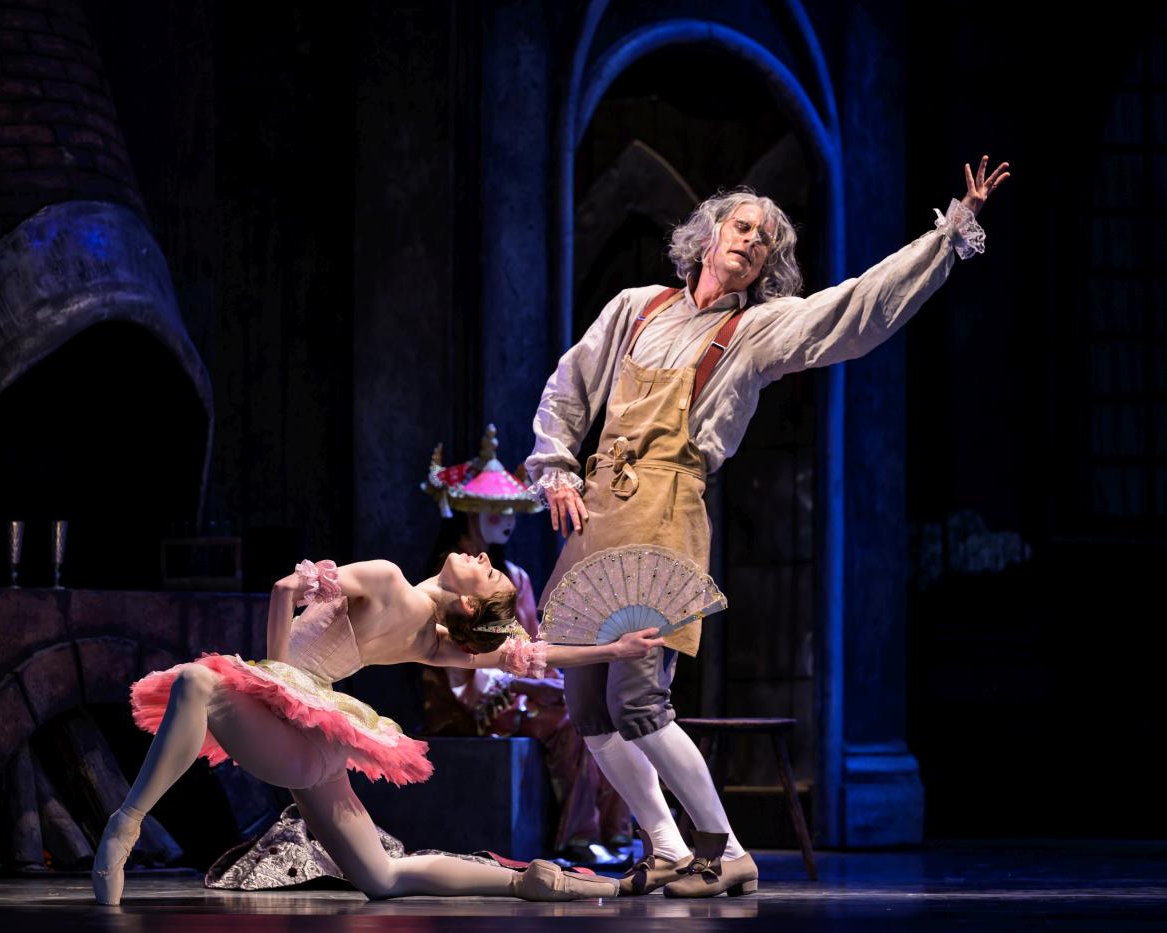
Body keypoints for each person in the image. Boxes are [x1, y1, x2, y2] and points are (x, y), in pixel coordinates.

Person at [527, 157, 1011, 897]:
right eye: (744, 227)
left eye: (767, 241)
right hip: (600, 510)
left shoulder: (754, 330)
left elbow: (856, 309)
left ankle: (725, 850)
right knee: (588, 706)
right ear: (710, 234)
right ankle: (666, 847)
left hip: (665, 513)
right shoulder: (636, 308)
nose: (753, 242)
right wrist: (557, 469)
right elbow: (568, 387)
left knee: (637, 700)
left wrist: (948, 233)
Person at [91, 552, 665, 905]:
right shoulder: (431, 642)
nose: (484, 557)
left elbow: (284, 589)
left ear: (469, 605)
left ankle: (126, 823)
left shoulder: (391, 582)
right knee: (381, 877)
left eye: (488, 573)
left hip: (299, 719)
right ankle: (525, 883)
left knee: (197, 681)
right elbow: (532, 657)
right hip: (314, 738)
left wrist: (278, 680)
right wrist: (613, 650)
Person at [420, 428, 631, 860]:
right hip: (471, 697)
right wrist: (524, 686)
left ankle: (617, 833)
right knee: (571, 722)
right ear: (469, 513)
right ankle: (579, 837)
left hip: (515, 681)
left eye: (513, 511)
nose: (509, 521)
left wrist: (547, 682)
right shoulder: (454, 576)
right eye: (498, 511)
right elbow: (459, 658)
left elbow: (531, 643)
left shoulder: (515, 576)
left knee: (597, 712)